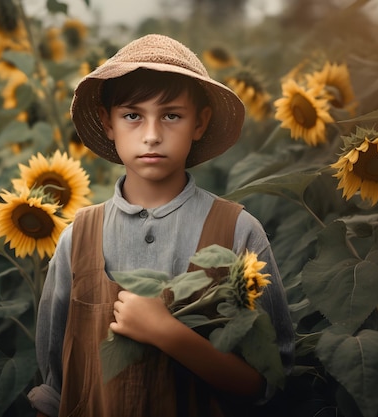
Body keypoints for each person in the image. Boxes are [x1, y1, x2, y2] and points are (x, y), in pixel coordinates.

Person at [28, 33, 294, 417]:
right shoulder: (78, 238)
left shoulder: (237, 231)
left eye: (172, 115)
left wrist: (168, 334)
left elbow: (269, 381)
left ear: (200, 123)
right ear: (107, 123)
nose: (152, 135)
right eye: (132, 116)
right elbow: (54, 387)